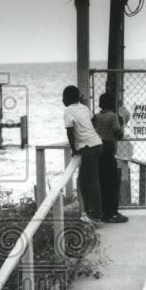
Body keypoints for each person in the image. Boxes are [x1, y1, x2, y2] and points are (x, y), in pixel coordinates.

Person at [62, 85, 103, 224]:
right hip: (97, 144)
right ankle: (89, 210)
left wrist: (74, 149)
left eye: (63, 97)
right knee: (83, 181)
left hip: (88, 148)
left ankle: (96, 214)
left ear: (67, 98)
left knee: (91, 181)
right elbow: (94, 119)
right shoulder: (84, 107)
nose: (62, 100)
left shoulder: (68, 111)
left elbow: (69, 131)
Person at [92, 92, 128, 223]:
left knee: (101, 181)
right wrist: (122, 123)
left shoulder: (96, 116)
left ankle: (101, 211)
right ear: (112, 104)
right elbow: (119, 135)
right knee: (112, 182)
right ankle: (112, 212)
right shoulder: (113, 116)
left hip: (97, 148)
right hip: (108, 148)